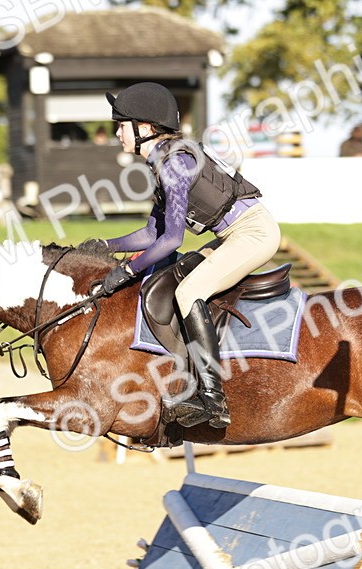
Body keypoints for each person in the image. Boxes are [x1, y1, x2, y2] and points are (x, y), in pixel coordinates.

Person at [99, 82, 281, 430]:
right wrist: (106, 247)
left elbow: (171, 239)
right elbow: (151, 232)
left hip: (253, 233)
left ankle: (213, 399)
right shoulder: (163, 160)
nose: (117, 133)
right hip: (233, 233)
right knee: (178, 276)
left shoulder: (174, 164)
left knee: (188, 291)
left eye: (121, 125)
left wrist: (127, 269)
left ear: (145, 128)